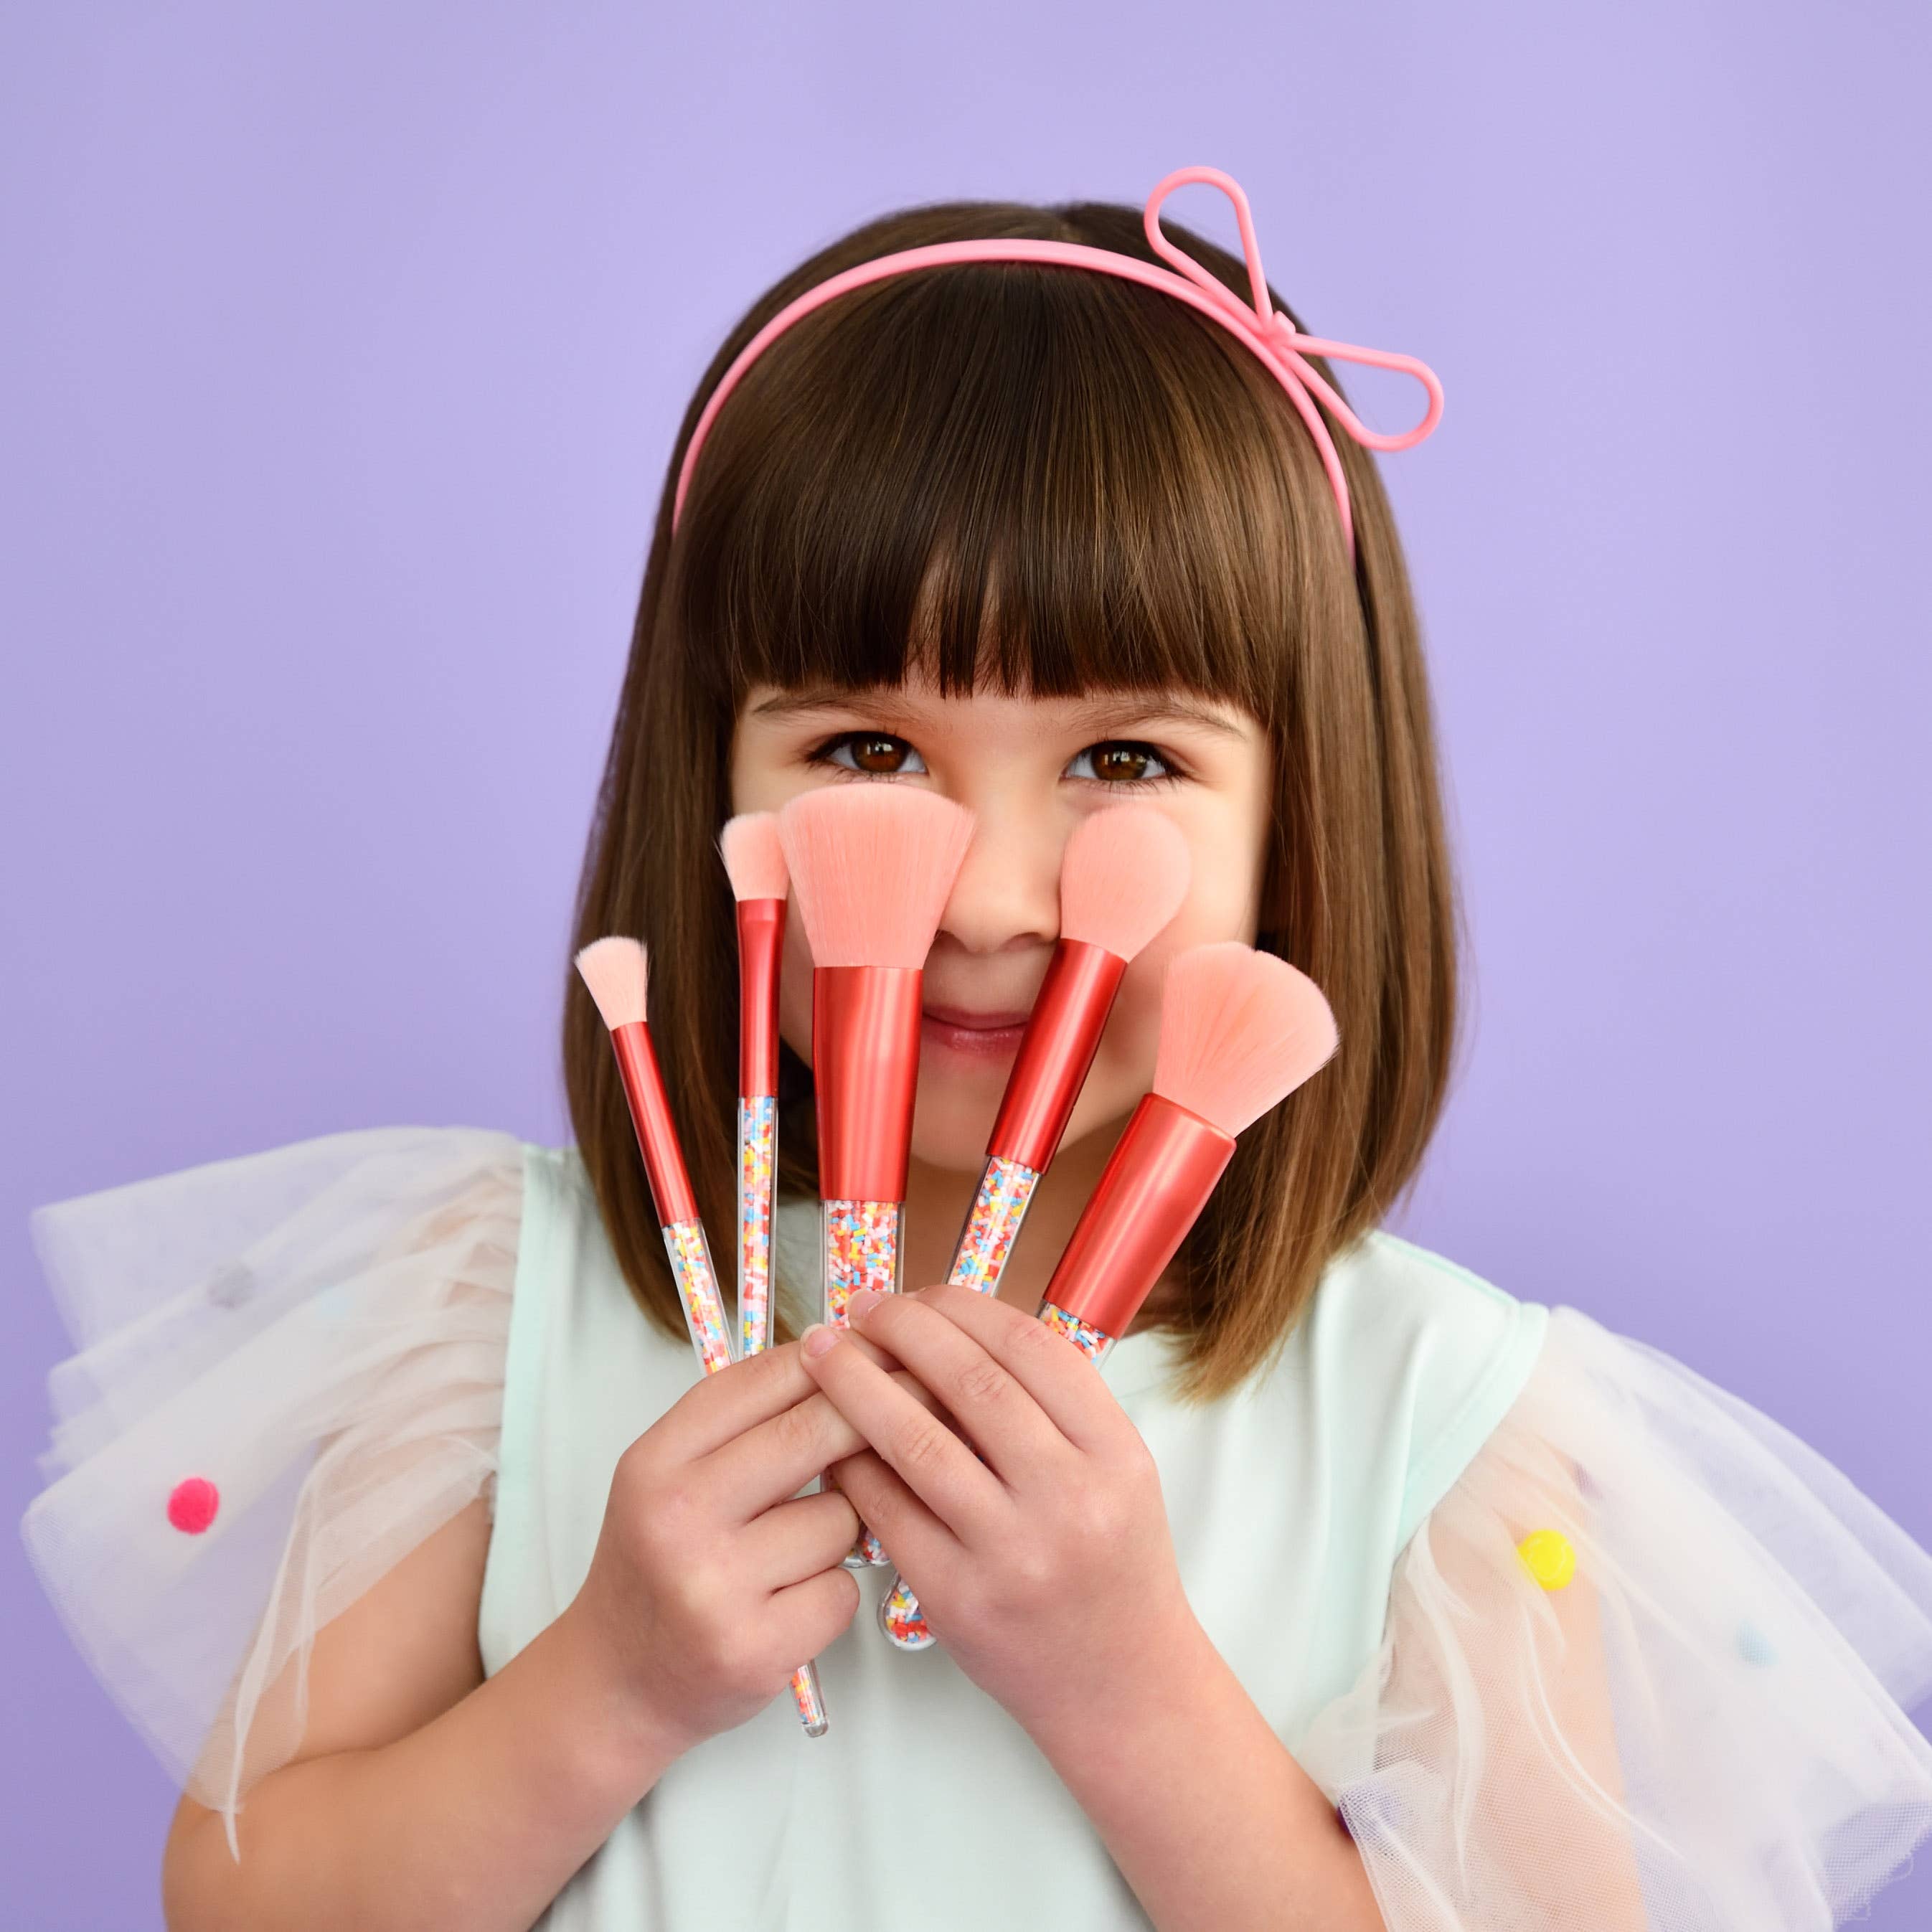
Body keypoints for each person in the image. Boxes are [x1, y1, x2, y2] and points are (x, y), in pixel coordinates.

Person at [21, 165, 1932, 1932]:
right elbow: (248, 1905)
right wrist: (602, 1687)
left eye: (1125, 761)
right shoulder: (489, 1300)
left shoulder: (1449, 1427)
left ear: (1304, 832)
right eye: (864, 750)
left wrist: (1130, 1688)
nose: (990, 893)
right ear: (715, 790)